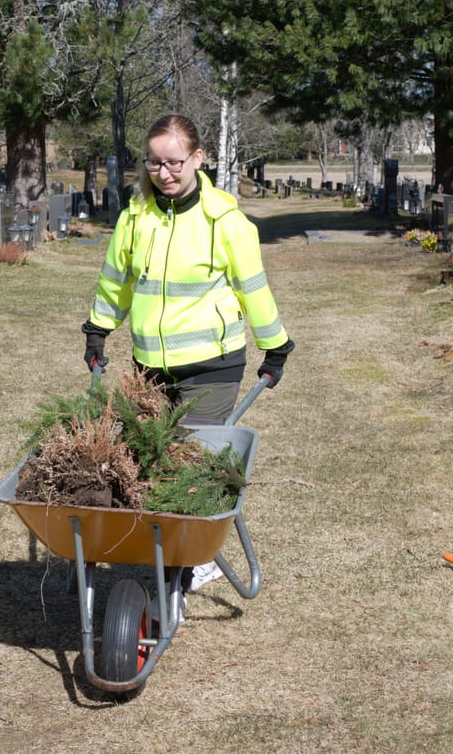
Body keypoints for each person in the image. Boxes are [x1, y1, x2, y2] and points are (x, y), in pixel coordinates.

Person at [81, 113, 294, 593]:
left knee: (190, 459)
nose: (166, 173)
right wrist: (98, 327)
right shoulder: (135, 218)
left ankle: (197, 556)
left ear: (198, 158)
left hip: (211, 367)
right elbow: (116, 283)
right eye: (155, 163)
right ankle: (170, 546)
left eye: (175, 162)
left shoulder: (224, 221)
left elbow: (253, 289)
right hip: (149, 365)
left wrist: (275, 345)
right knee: (147, 457)